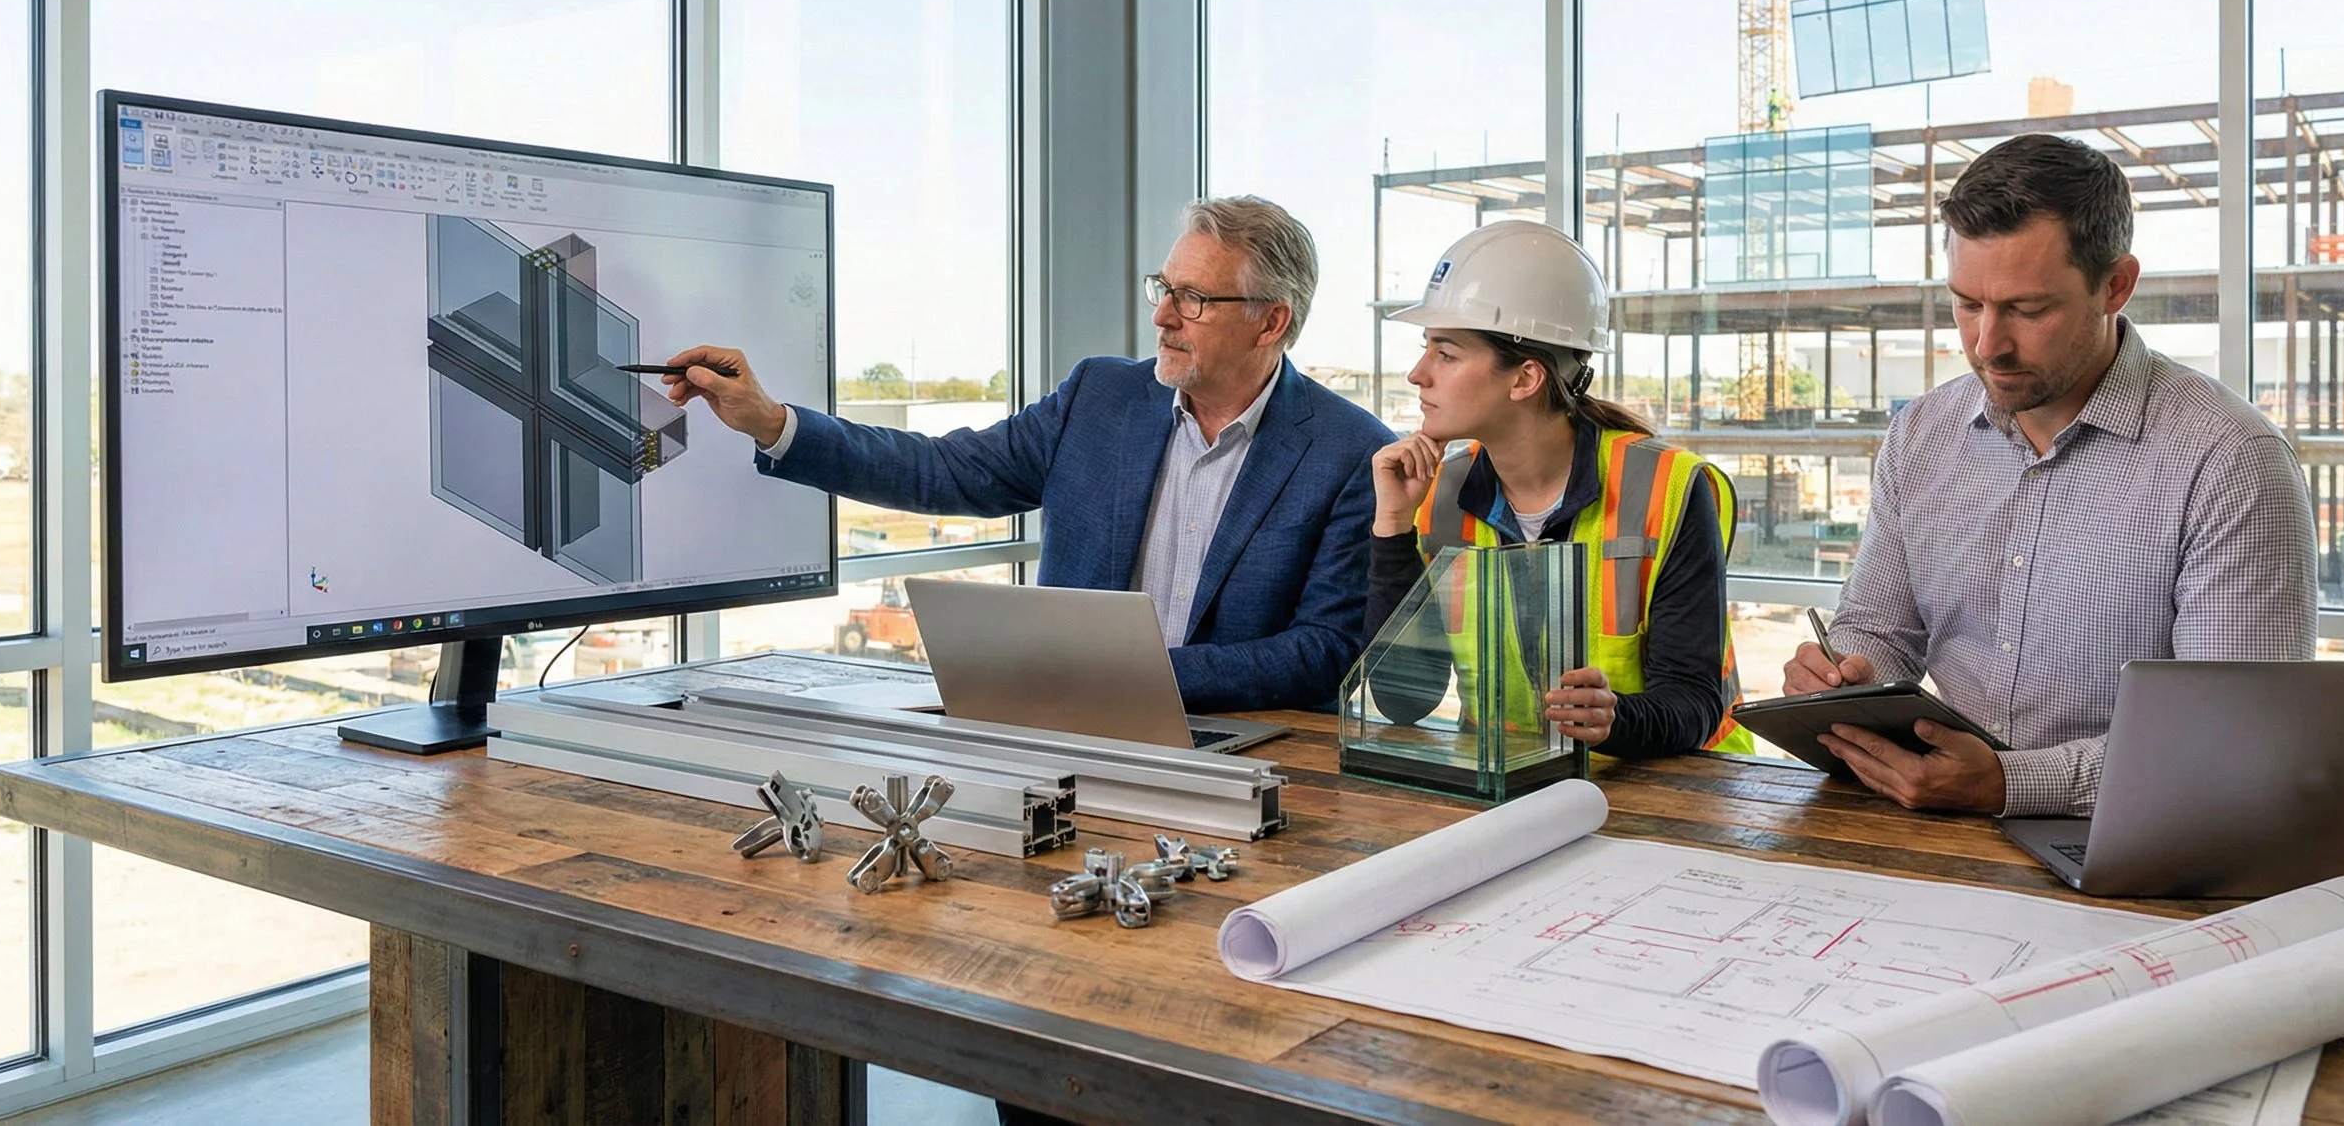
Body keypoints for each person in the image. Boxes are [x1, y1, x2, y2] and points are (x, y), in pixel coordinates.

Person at [664, 196, 1393, 713]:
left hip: (1245, 751)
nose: (1162, 316)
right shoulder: (1099, 397)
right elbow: (940, 470)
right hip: (1066, 737)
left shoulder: (1350, 452)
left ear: (1272, 322)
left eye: (1194, 298)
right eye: (1163, 289)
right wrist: (772, 422)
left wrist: (1131, 675)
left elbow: (1325, 650)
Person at [1782, 132, 2316, 817]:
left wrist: (2008, 784)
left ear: (2116, 285)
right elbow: (1881, 631)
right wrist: (1843, 677)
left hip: (2146, 839)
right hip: (1945, 826)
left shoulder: (2229, 461)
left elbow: (2233, 741)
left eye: (2027, 310)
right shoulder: (1921, 435)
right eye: (1967, 303)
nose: (1986, 345)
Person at [1364, 220, 1754, 760]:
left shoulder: (1667, 488)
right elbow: (1405, 700)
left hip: (1678, 793)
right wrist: (1392, 528)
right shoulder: (1439, 494)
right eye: (1425, 349)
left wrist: (1617, 719)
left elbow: (1694, 701)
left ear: (1525, 378)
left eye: (1446, 354)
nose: (1417, 374)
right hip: (1513, 788)